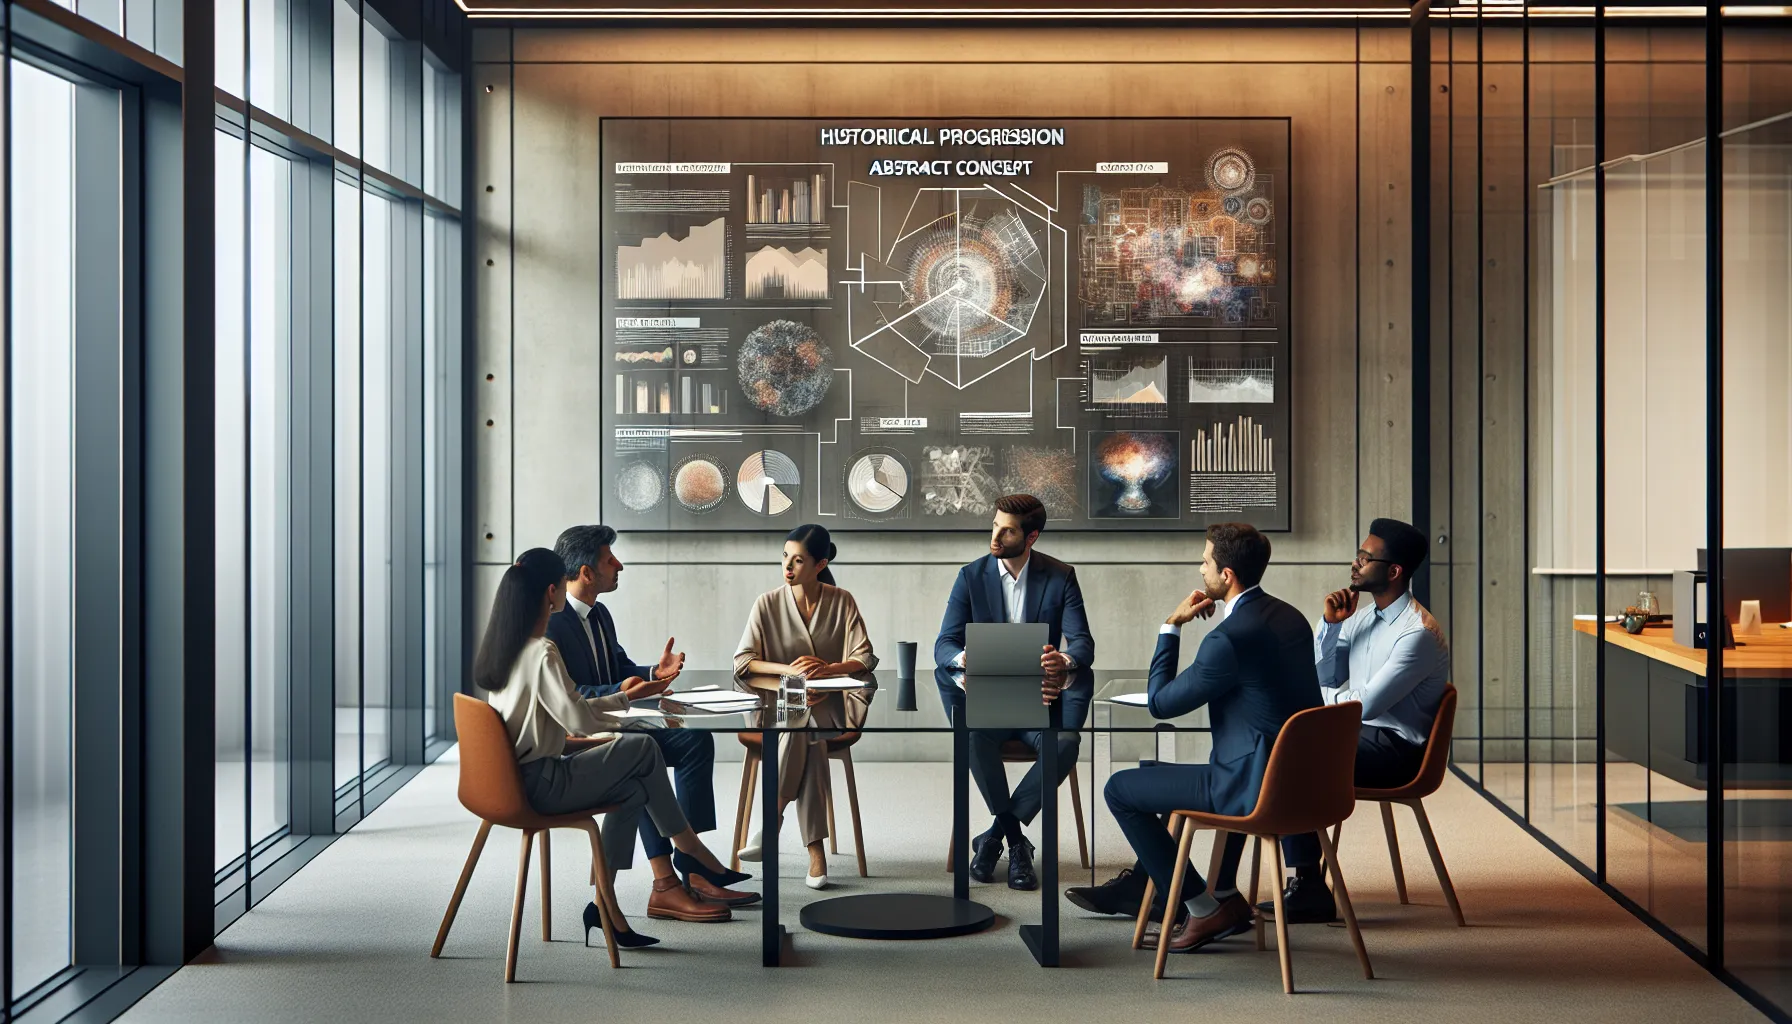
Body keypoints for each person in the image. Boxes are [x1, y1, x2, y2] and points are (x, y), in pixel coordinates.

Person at [473, 548, 752, 950]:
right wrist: (622, 708)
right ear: (552, 592)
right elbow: (578, 719)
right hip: (540, 784)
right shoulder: (542, 652)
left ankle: (606, 904)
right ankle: (690, 850)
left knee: (633, 790)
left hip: (511, 781)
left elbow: (548, 720)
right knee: (642, 749)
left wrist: (629, 696)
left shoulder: (504, 648)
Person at [1066, 523, 1320, 953]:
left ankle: (1202, 907)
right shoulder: (1290, 617)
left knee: (1121, 789)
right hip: (1303, 783)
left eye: (1205, 562)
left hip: (1252, 787)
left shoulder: (1228, 639)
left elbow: (1161, 703)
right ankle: (1215, 892)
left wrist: (1172, 626)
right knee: (1157, 774)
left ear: (1227, 576)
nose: (1200, 568)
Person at [546, 524, 758, 922]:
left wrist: (651, 672)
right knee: (643, 758)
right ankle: (670, 881)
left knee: (695, 741)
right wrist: (624, 689)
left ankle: (691, 869)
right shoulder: (553, 625)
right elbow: (567, 697)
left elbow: (620, 667)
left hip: (619, 727)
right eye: (610, 559)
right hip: (586, 737)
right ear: (588, 572)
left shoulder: (600, 613)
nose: (619, 565)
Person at [1262, 517, 1451, 924]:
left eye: (1366, 557)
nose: (1356, 563)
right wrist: (1331, 626)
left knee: (1291, 760)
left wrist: (1311, 700)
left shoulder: (1416, 633)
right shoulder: (1362, 617)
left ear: (1394, 571)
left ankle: (1307, 886)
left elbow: (1364, 706)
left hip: (1398, 750)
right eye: (1358, 554)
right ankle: (1305, 883)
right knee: (1274, 747)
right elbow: (1325, 677)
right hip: (1360, 735)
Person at [934, 493, 1094, 891]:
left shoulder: (1061, 577)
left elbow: (1084, 645)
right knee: (970, 738)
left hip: (1040, 704)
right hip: (987, 703)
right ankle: (1017, 844)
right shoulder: (970, 576)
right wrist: (963, 656)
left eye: (1007, 530)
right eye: (995, 525)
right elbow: (943, 646)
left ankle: (993, 838)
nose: (996, 535)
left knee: (1064, 744)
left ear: (1031, 536)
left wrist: (1065, 659)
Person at [733, 524, 877, 891]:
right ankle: (816, 852)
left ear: (820, 564)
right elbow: (744, 662)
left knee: (804, 725)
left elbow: (864, 657)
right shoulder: (766, 602)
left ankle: (772, 818)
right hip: (778, 705)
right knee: (803, 728)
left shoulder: (842, 599)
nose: (788, 566)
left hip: (829, 707)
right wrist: (789, 671)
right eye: (785, 557)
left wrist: (829, 669)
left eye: (798, 560)